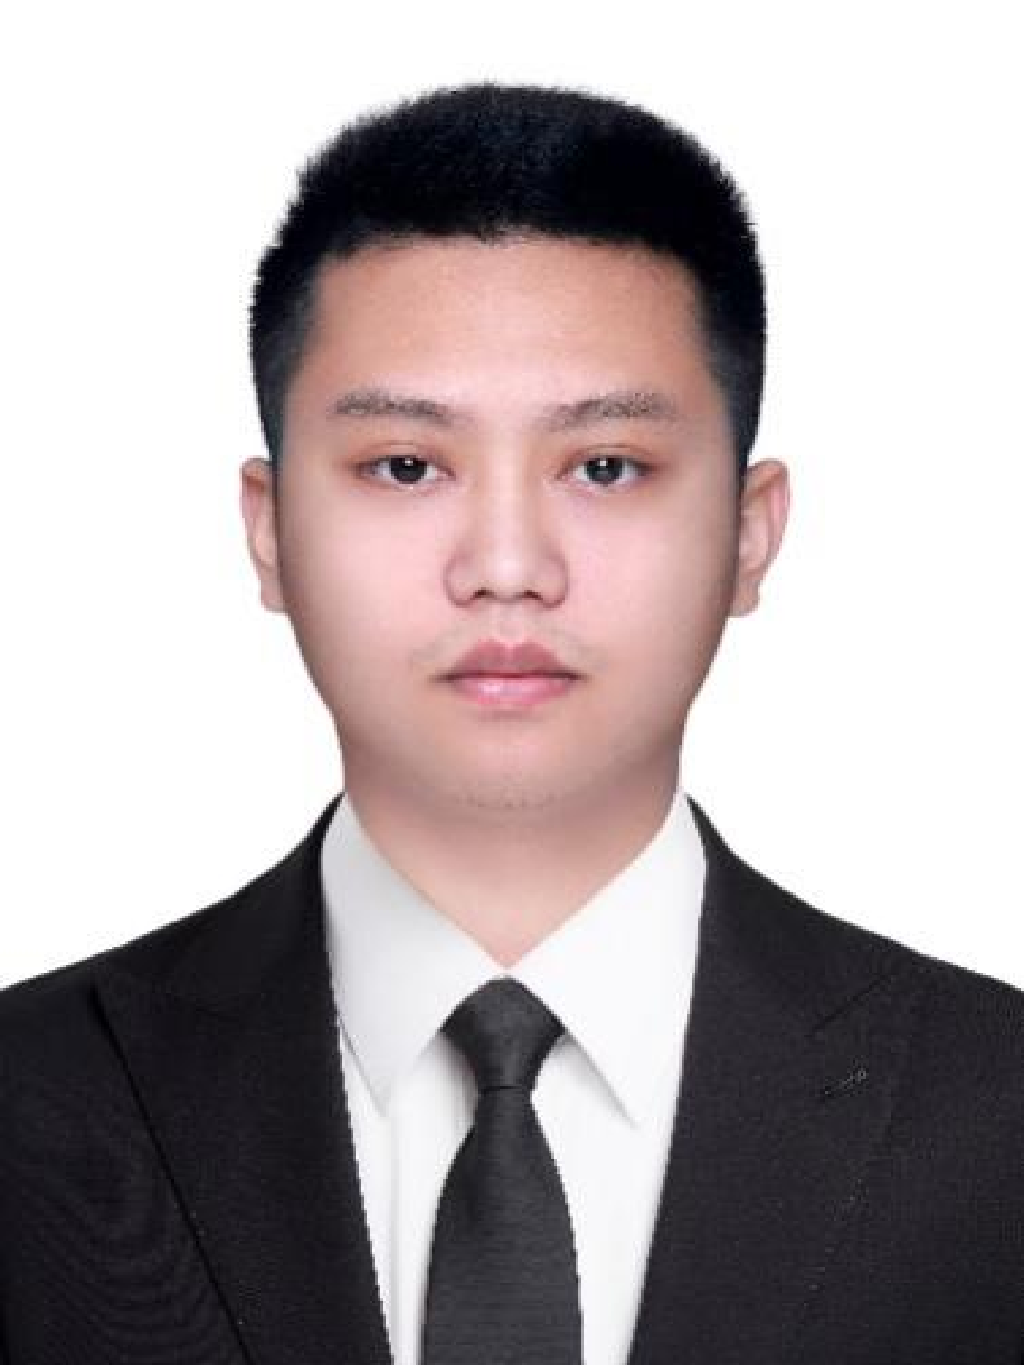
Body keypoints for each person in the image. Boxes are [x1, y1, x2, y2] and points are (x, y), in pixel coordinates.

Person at [1, 79, 1021, 1365]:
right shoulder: (31, 1101)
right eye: (404, 466)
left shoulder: (993, 1114)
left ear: (749, 534)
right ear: (269, 532)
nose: (504, 567)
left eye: (605, 467)